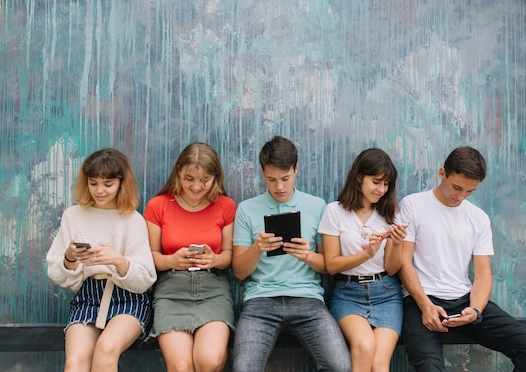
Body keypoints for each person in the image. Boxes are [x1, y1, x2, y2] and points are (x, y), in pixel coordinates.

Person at [398, 146, 526, 372]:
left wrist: (475, 311)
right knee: (431, 368)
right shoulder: (413, 205)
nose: (460, 196)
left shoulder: (477, 218)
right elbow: (403, 263)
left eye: (470, 191)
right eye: (456, 187)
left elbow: (482, 273)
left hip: (464, 300)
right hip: (421, 301)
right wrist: (426, 306)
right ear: (442, 173)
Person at [232, 136, 351, 372]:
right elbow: (239, 271)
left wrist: (307, 255)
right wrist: (257, 248)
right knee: (244, 368)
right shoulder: (246, 209)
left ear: (296, 169)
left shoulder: (317, 206)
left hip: (307, 299)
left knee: (340, 366)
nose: (279, 187)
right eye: (271, 179)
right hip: (260, 301)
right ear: (262, 173)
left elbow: (329, 265)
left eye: (285, 178)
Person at [46, 148, 157, 372]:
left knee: (106, 349)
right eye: (93, 183)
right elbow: (57, 275)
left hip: (128, 299)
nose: (99, 190)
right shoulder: (72, 215)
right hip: (88, 296)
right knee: (75, 362)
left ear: (121, 183)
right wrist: (70, 258)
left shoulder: (133, 219)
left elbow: (145, 279)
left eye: (108, 184)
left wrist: (118, 261)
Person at [143, 142, 236, 372]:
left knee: (209, 360)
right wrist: (171, 261)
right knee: (181, 366)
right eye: (189, 178)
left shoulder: (225, 206)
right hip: (171, 291)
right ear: (178, 172)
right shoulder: (158, 206)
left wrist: (214, 260)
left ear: (216, 177)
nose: (196, 186)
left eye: (205, 180)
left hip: (212, 291)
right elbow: (151, 256)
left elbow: (228, 255)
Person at [319, 148, 407, 372]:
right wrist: (366, 254)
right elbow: (331, 264)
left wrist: (396, 244)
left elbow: (391, 267)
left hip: (386, 292)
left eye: (386, 184)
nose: (381, 189)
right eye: (376, 182)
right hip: (348, 292)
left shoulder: (390, 213)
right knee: (364, 346)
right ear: (359, 177)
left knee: (379, 363)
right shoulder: (335, 211)